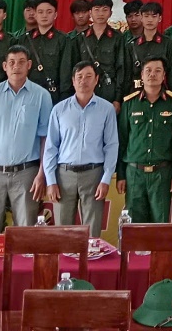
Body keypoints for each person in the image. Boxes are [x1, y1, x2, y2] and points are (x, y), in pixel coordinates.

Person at [0, 45, 51, 232]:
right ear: (5, 66)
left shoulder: (42, 96)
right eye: (12, 62)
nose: (17, 66)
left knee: (25, 234)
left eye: (21, 62)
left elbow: (45, 140)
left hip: (27, 174)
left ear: (29, 65)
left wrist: (42, 174)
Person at [45, 61, 119, 235]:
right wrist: (51, 181)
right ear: (73, 81)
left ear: (96, 80)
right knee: (63, 232)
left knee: (92, 233)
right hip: (64, 175)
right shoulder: (59, 109)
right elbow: (51, 147)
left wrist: (106, 179)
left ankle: (91, 254)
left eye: (88, 76)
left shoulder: (106, 109)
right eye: (79, 77)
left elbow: (111, 145)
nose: (83, 81)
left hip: (94, 175)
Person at [118, 58, 172, 223]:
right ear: (141, 75)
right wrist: (121, 175)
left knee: (160, 225)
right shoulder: (129, 104)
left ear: (164, 75)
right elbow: (122, 141)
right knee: (134, 227)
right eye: (148, 70)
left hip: (162, 173)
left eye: (157, 71)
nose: (152, 74)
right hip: (134, 173)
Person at [75, 0, 131, 106]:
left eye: (105, 10)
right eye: (97, 10)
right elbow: (73, 68)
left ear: (110, 13)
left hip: (109, 89)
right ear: (90, 13)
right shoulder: (80, 38)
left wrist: (117, 99)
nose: (100, 14)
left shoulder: (117, 37)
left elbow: (121, 68)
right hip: (85, 88)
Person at [28, 0, 75, 102]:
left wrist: (64, 98)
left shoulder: (64, 40)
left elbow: (66, 72)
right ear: (35, 14)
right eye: (40, 12)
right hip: (28, 94)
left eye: (49, 12)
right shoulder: (25, 39)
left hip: (53, 95)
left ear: (55, 15)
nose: (44, 15)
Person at [131, 1, 172, 92]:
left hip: (161, 92)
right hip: (136, 93)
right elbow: (127, 75)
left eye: (154, 16)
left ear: (160, 18)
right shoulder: (132, 45)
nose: (150, 20)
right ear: (141, 18)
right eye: (146, 16)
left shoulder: (168, 43)